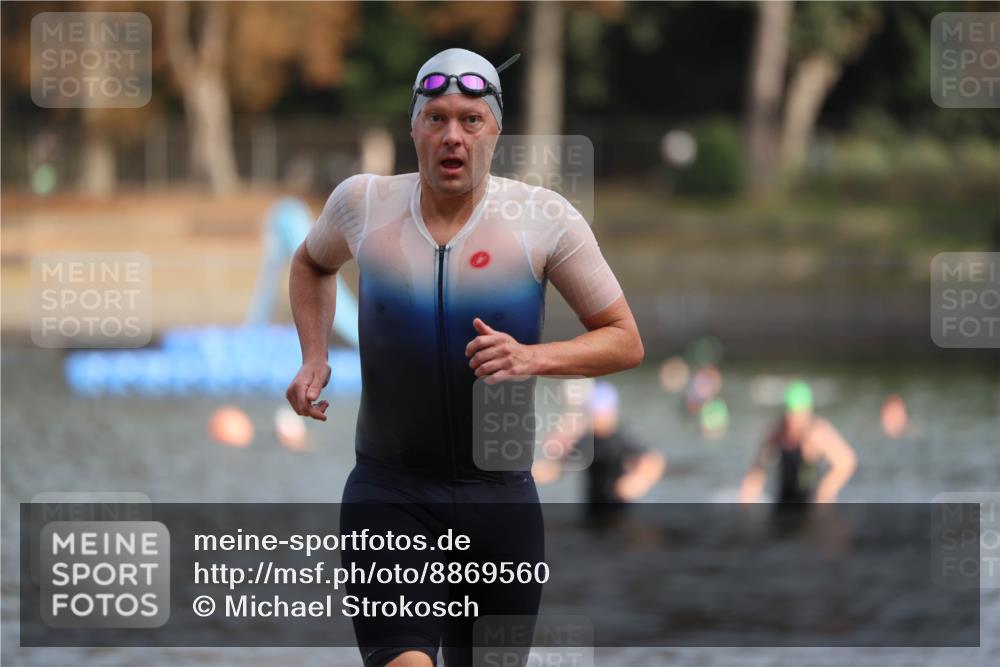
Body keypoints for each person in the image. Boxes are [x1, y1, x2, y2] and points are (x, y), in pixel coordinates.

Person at [284, 48, 643, 667]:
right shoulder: (363, 204)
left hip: (499, 503)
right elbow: (310, 263)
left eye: (471, 119)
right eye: (437, 118)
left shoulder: (543, 220)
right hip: (389, 492)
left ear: (496, 129)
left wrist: (532, 358)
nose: (453, 136)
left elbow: (623, 339)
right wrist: (313, 355)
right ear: (414, 128)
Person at [738, 380, 857, 504]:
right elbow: (757, 470)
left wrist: (825, 491)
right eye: (790, 413)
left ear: (808, 412)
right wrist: (745, 502)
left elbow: (847, 461)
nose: (793, 419)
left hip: (812, 503)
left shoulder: (817, 432)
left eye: (798, 414)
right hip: (785, 500)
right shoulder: (778, 432)